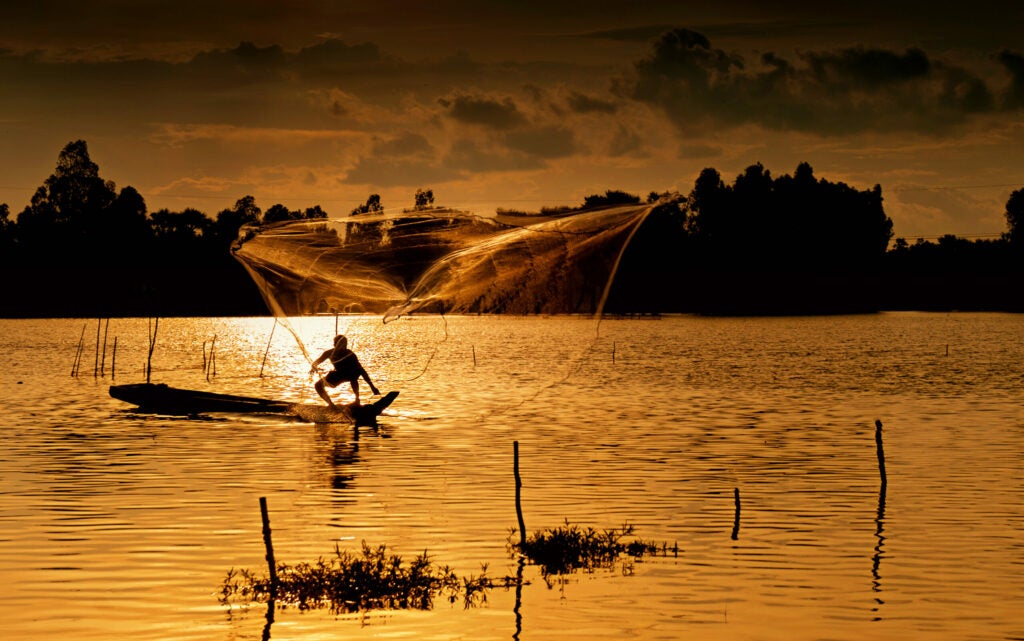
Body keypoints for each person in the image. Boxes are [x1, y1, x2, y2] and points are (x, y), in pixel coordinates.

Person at [310, 334, 379, 408]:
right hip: (338, 375)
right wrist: (313, 367)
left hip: (349, 374)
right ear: (335, 345)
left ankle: (357, 400)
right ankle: (331, 404)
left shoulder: (349, 354)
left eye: (344, 345)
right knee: (318, 385)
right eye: (339, 344)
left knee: (354, 373)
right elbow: (317, 362)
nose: (343, 347)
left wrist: (372, 387)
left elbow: (362, 371)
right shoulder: (329, 353)